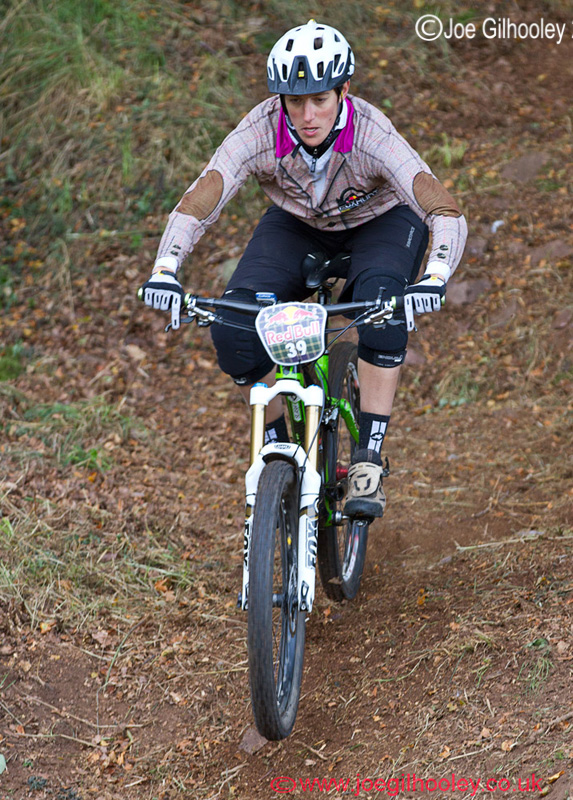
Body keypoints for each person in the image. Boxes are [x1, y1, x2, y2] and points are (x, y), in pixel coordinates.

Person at [142, 20, 467, 519]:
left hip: (381, 222)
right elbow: (203, 196)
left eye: (319, 99)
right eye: (295, 102)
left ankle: (368, 459)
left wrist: (435, 275)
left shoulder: (372, 133)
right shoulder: (260, 129)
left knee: (383, 305)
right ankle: (278, 450)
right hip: (297, 224)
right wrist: (166, 267)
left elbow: (442, 208)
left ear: (343, 91)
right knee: (233, 327)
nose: (308, 115)